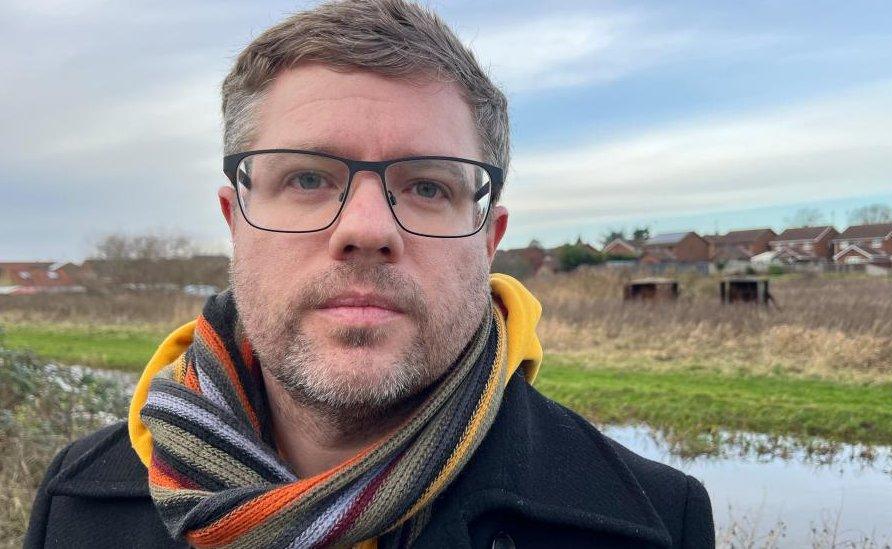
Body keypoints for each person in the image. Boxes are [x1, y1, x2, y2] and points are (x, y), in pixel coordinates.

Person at [25, 1, 714, 547]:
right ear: (236, 221)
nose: (366, 230)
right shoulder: (81, 501)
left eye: (427, 187)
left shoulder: (651, 521)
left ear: (488, 239)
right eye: (307, 177)